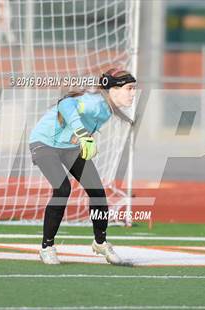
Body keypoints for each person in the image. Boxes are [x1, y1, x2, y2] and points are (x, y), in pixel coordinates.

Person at [29, 68, 137, 265]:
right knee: (62, 189)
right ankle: (47, 247)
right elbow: (66, 103)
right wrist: (82, 133)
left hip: (69, 147)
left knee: (97, 192)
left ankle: (100, 242)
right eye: (129, 88)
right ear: (113, 90)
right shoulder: (94, 102)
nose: (133, 93)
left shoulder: (107, 107)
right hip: (44, 143)